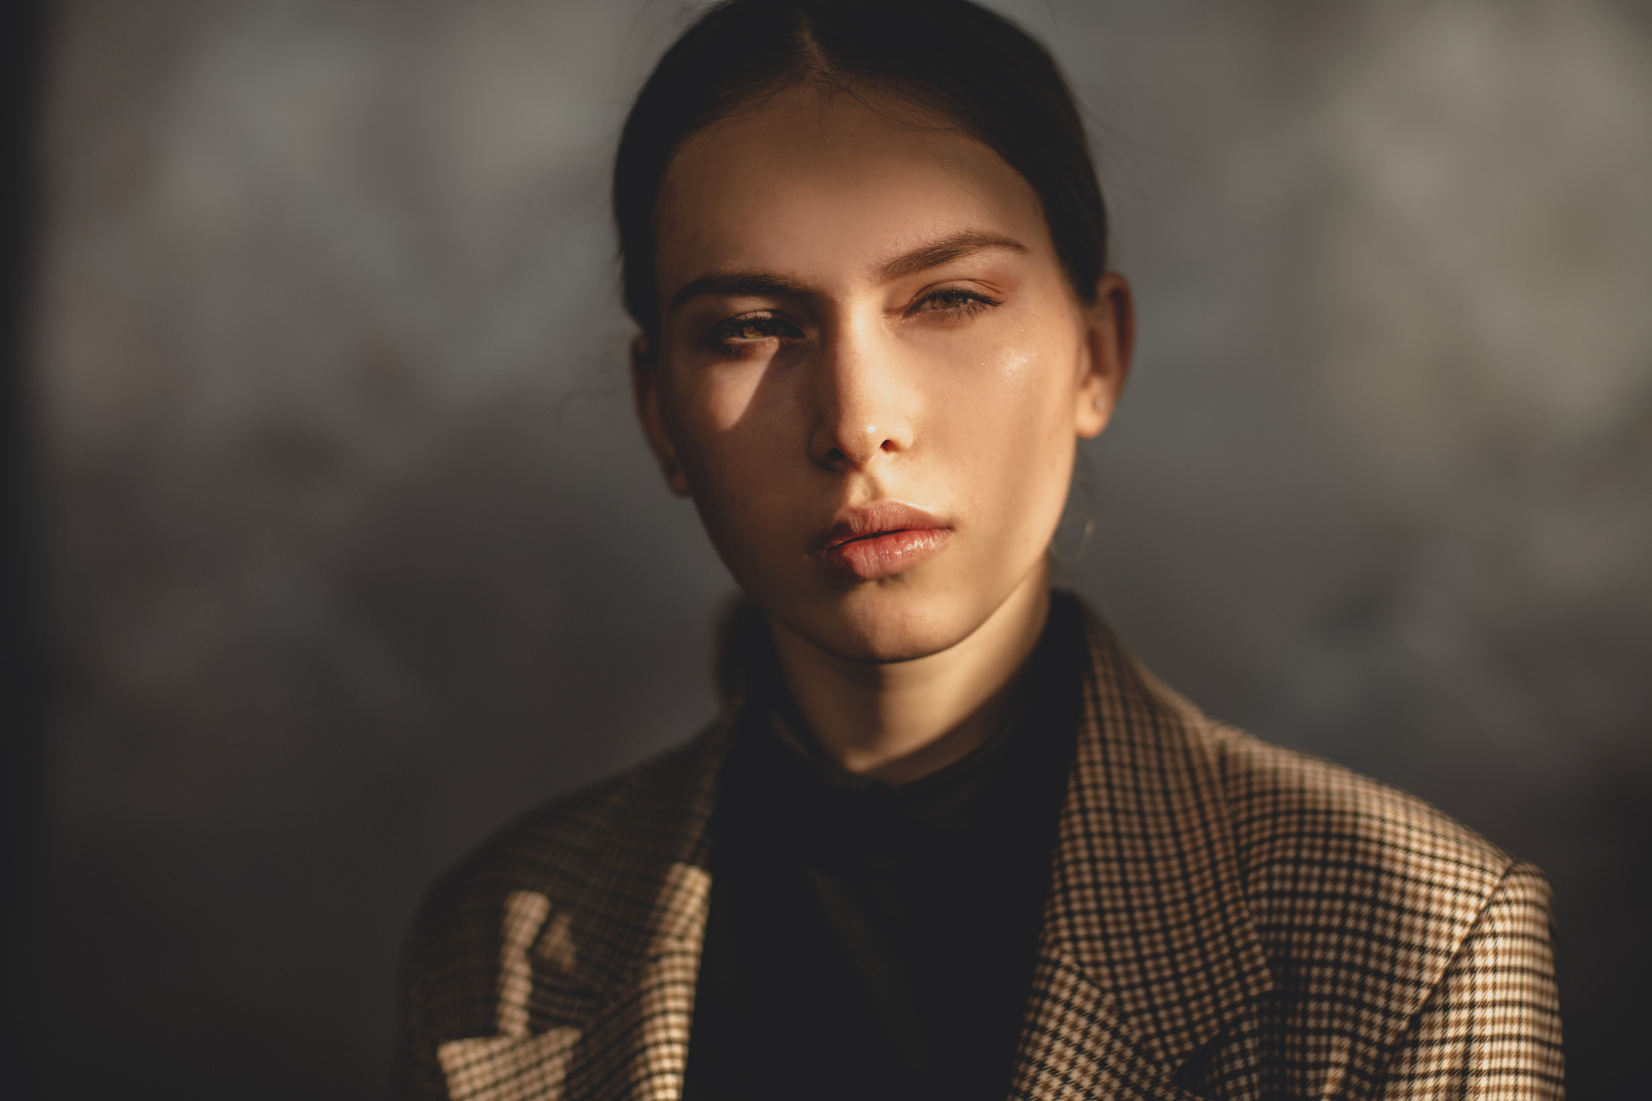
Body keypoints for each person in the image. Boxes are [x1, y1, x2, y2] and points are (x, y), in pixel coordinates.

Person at [391, 1, 1564, 1098]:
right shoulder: (499, 937)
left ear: (1095, 354)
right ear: (660, 415)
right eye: (752, 328)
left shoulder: (1415, 937)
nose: (857, 424)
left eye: (947, 300)